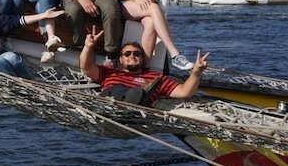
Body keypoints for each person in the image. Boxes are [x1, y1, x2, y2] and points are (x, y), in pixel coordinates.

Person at [79, 26, 209, 106]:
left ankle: (135, 97)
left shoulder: (155, 77)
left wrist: (196, 73)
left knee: (139, 93)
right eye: (127, 54)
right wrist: (88, 47)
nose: (132, 56)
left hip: (135, 110)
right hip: (109, 103)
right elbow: (86, 67)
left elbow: (184, 92)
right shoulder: (109, 72)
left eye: (137, 54)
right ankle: (133, 96)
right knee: (118, 88)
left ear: (142, 59)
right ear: (121, 59)